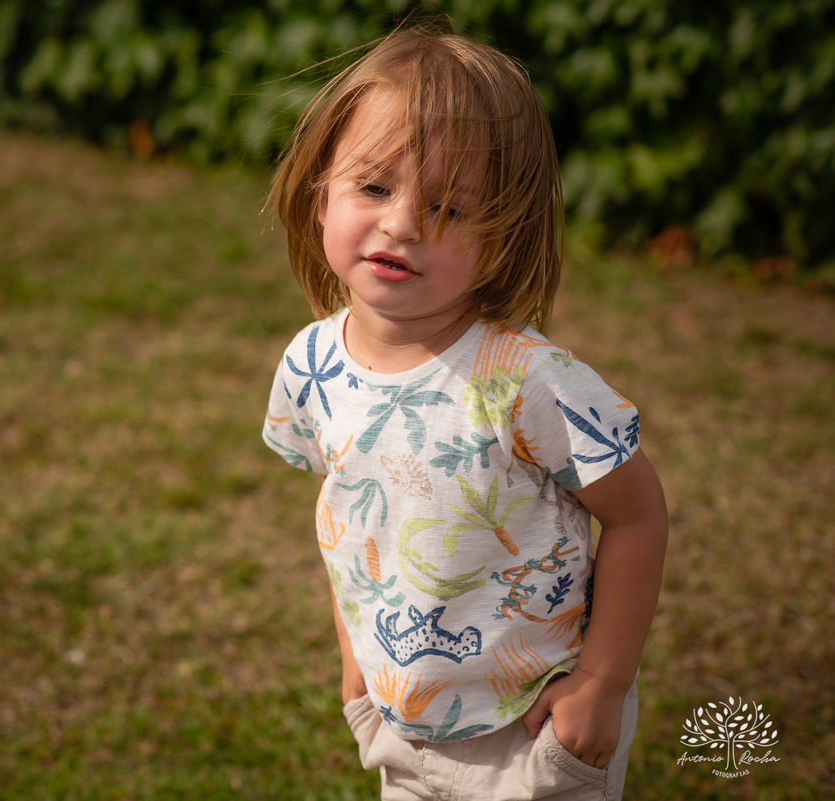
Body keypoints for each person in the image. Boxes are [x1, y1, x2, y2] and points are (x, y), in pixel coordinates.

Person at [261, 19, 668, 801]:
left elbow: (638, 515)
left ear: (503, 239)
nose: (404, 223)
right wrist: (355, 660)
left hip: (534, 731)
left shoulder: (525, 381)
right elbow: (348, 516)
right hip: (400, 727)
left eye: (450, 207)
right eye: (374, 186)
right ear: (319, 192)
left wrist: (602, 682)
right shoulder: (310, 366)